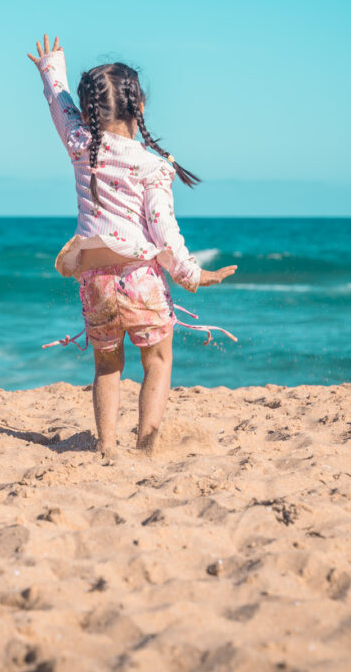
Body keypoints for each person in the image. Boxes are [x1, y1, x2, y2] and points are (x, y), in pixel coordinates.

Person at [28, 33, 237, 457]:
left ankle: (107, 446)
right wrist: (193, 274)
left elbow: (60, 109)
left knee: (107, 365)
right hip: (139, 277)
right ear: (138, 105)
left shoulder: (80, 146)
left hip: (95, 281)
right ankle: (145, 445)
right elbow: (163, 231)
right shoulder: (151, 166)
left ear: (89, 109)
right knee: (157, 361)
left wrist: (51, 69)